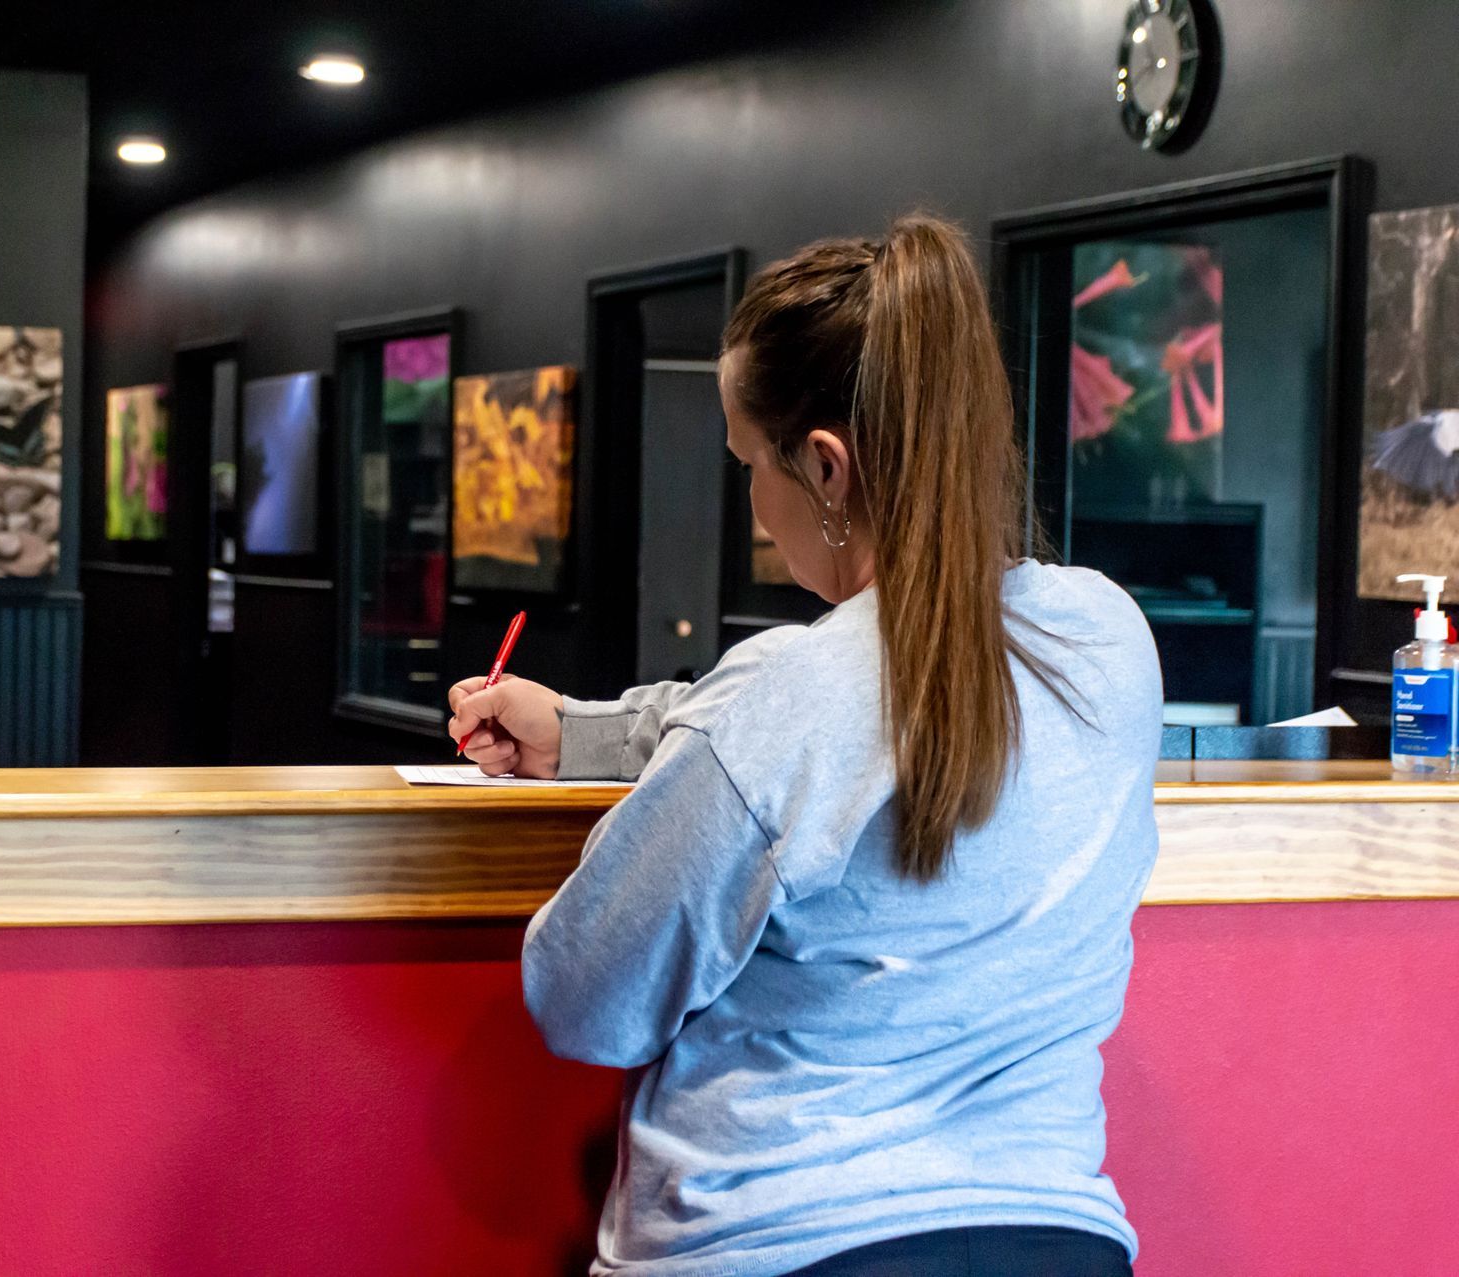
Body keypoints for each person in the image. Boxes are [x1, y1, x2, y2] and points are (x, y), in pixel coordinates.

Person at [446, 214, 1160, 1277]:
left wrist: (687, 750)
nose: (751, 499)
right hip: (1059, 1239)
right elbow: (870, 703)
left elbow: (583, 993)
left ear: (827, 468)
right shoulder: (1106, 636)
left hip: (779, 1245)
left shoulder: (788, 692)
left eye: (748, 461)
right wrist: (594, 731)